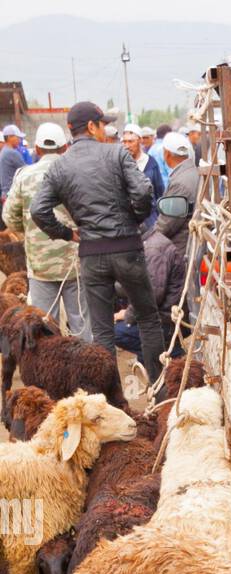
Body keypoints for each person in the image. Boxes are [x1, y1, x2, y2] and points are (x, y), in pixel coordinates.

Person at [31, 100, 165, 383]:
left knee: (101, 332)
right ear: (91, 127)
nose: (106, 129)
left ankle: (110, 399)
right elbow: (142, 191)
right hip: (127, 247)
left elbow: (38, 211)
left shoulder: (59, 167)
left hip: (91, 254)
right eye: (103, 124)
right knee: (148, 319)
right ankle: (159, 390)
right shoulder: (116, 154)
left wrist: (68, 233)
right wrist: (135, 219)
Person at [2, 121, 89, 338]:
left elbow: (9, 218)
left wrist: (33, 230)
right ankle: (86, 370)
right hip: (75, 262)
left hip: (40, 265)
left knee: (44, 326)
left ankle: (50, 370)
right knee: (81, 325)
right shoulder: (79, 173)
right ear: (65, 148)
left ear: (37, 149)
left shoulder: (23, 176)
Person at [115, 228, 184, 362]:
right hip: (164, 312)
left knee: (116, 333)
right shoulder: (150, 242)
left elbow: (152, 294)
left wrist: (127, 315)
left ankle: (168, 354)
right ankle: (151, 355)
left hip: (165, 320)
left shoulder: (153, 251)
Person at [154, 130, 198, 255]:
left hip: (181, 248)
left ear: (167, 154)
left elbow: (167, 223)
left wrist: (149, 239)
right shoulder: (192, 172)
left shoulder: (180, 182)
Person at [122, 123, 164, 227]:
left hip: (150, 218)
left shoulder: (151, 163)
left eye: (131, 141)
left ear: (140, 141)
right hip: (128, 220)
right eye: (125, 142)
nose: (127, 145)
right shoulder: (120, 164)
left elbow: (159, 192)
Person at [0, 125, 26, 206]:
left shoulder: (4, 151)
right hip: (12, 195)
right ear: (9, 137)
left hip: (6, 193)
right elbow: (26, 171)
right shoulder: (12, 153)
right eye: (17, 137)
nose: (19, 140)